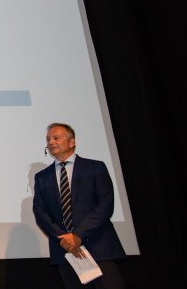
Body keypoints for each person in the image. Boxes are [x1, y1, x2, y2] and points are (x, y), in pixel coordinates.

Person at [32, 122, 126, 289]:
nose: (51, 142)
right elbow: (40, 212)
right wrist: (65, 238)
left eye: (56, 138)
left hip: (98, 248)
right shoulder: (42, 177)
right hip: (65, 251)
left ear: (71, 142)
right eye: (48, 139)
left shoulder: (95, 168)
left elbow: (105, 205)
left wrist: (78, 235)